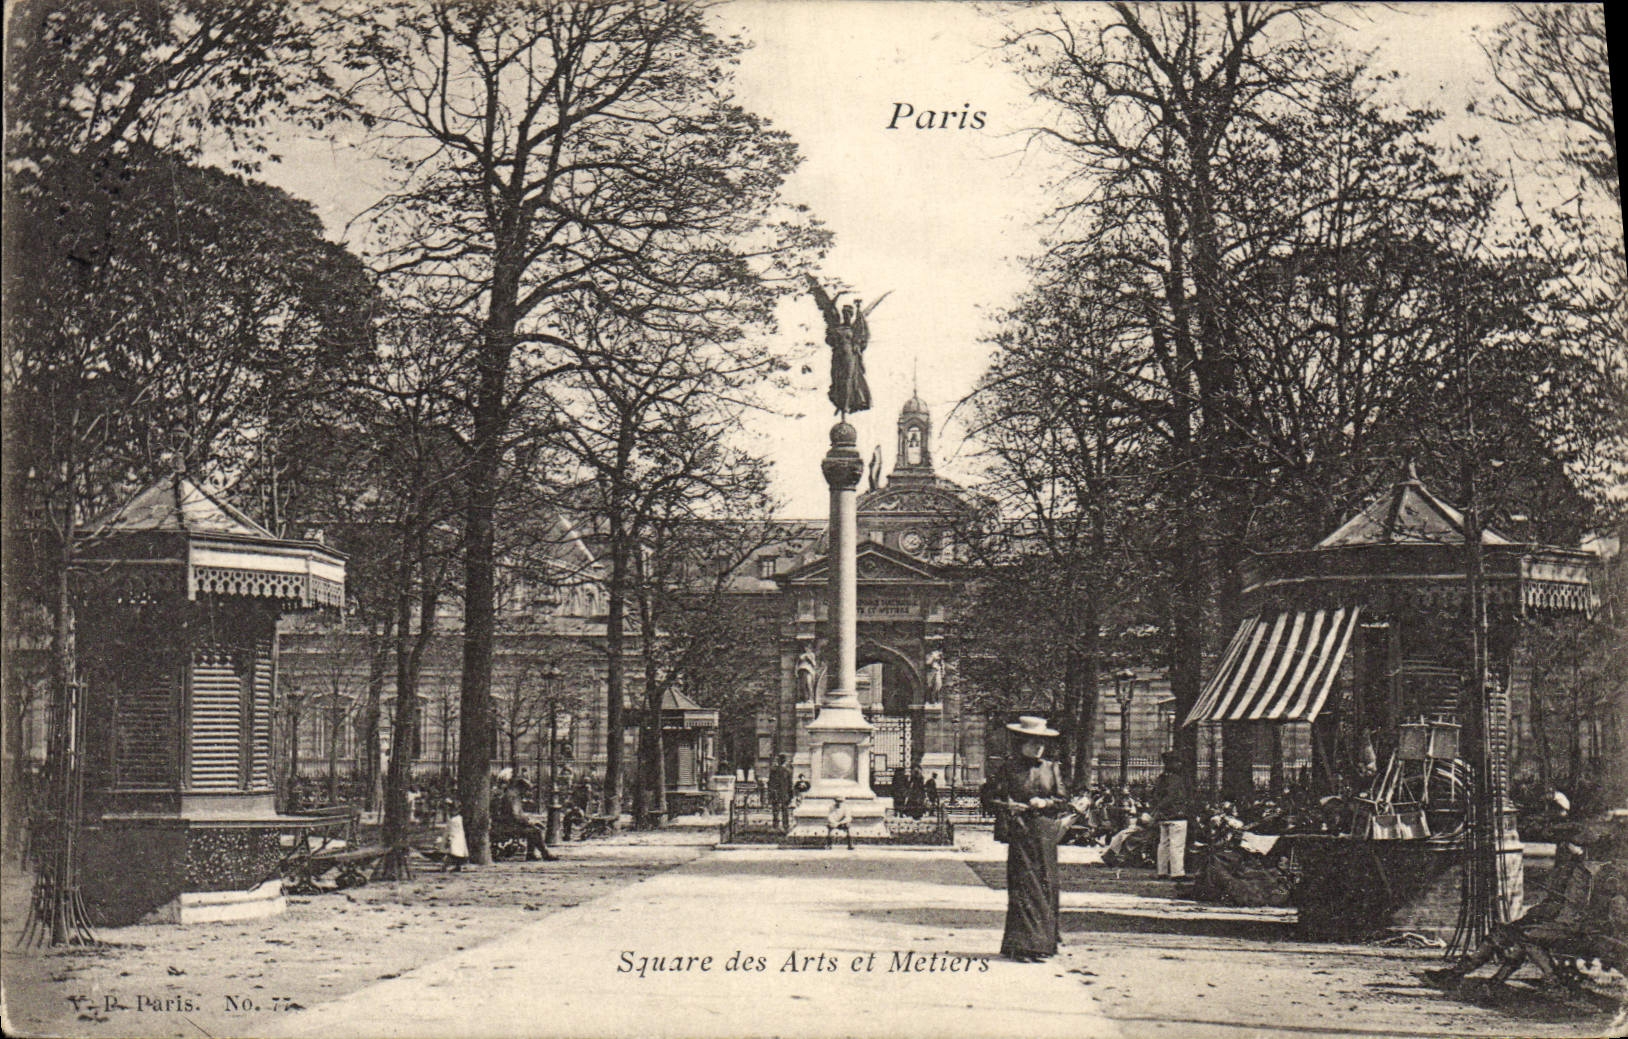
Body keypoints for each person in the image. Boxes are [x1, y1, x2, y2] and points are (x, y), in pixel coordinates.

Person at [981, 716, 1074, 963]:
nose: (1038, 747)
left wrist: (1045, 802)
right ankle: (1021, 946)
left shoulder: (1051, 768)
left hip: (1045, 834)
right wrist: (1011, 806)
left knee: (1046, 885)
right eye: (1033, 742)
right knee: (1024, 887)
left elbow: (1063, 800)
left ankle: (1044, 944)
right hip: (1021, 832)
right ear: (1021, 742)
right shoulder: (1008, 768)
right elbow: (989, 798)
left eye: (1042, 743)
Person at [493, 775, 557, 861]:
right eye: (527, 790)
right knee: (535, 831)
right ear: (521, 788)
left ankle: (531, 854)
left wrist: (529, 820)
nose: (528, 793)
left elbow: (518, 814)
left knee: (534, 829)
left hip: (508, 824)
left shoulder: (512, 794)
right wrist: (529, 821)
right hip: (509, 826)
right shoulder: (513, 797)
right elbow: (515, 815)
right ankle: (544, 853)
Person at [1150, 750, 1192, 880]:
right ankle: (1177, 873)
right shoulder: (1177, 779)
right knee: (1177, 845)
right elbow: (1172, 796)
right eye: (1178, 762)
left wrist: (1158, 809)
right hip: (1177, 815)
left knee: (1163, 844)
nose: (1180, 764)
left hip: (1163, 816)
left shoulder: (1161, 778)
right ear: (1174, 763)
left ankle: (1161, 871)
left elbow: (1155, 795)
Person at [768, 754, 794, 829]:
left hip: (777, 792)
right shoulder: (787, 771)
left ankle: (776, 825)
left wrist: (771, 792)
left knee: (776, 809)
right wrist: (790, 795)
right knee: (783, 809)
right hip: (783, 793)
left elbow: (770, 783)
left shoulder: (774, 771)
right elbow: (790, 784)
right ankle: (785, 825)